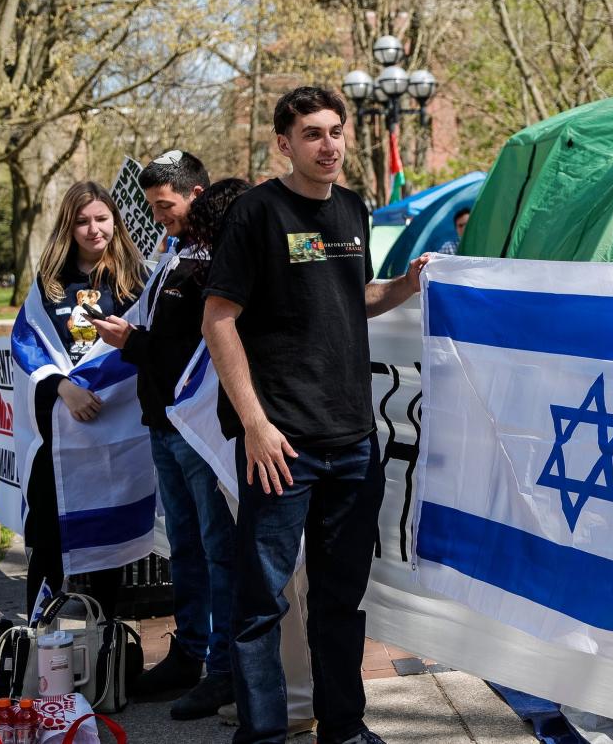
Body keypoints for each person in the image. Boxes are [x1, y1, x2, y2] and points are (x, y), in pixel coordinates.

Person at [202, 86, 427, 744]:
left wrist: (409, 283)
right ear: (284, 144)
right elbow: (219, 320)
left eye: (336, 131)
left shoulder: (354, 209)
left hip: (355, 443)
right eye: (312, 134)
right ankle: (264, 733)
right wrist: (255, 423)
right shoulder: (256, 213)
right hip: (282, 448)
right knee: (261, 605)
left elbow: (353, 297)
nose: (328, 145)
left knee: (341, 601)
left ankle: (345, 728)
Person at [91, 154, 238, 718]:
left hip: (196, 426)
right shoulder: (175, 252)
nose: (158, 218)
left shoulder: (217, 257)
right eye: (152, 207)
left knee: (216, 549)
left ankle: (223, 667)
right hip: (164, 421)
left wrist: (131, 341)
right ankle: (190, 653)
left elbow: (196, 349)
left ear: (196, 195)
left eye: (165, 207)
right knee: (186, 549)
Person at [19, 181, 147, 614]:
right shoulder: (50, 283)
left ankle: (105, 637)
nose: (94, 230)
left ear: (116, 221)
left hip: (121, 431)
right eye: (82, 221)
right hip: (62, 430)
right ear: (68, 227)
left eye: (102, 219)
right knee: (51, 535)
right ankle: (39, 639)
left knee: (111, 531)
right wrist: (65, 389)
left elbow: (153, 343)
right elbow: (28, 341)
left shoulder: (138, 279)